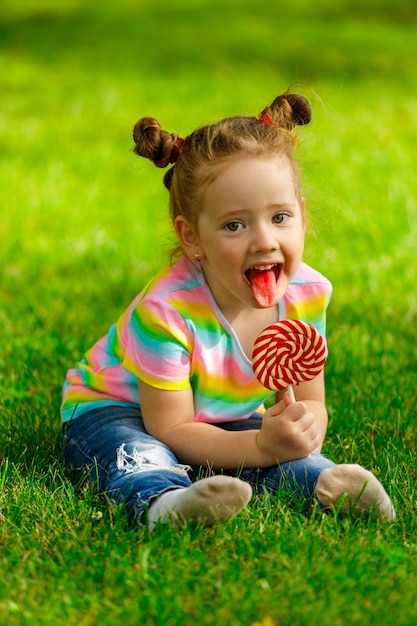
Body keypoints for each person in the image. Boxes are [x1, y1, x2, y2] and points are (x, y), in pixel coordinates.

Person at [61, 91, 395, 530]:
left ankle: (328, 486)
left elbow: (312, 399)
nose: (263, 240)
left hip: (227, 414)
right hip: (122, 409)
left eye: (279, 217)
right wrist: (258, 448)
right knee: (135, 451)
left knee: (281, 450)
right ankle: (164, 503)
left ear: (302, 216)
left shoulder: (307, 294)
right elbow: (172, 429)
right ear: (192, 237)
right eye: (234, 225)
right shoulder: (166, 311)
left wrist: (301, 430)